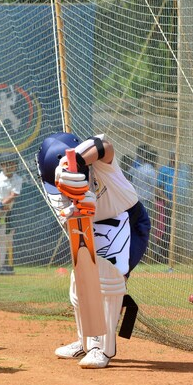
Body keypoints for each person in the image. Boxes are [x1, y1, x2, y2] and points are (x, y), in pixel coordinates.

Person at [36, 132, 150, 369]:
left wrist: (75, 162)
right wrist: (74, 203)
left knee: (108, 277)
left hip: (126, 219)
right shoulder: (52, 185)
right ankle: (86, 341)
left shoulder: (100, 162)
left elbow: (104, 145)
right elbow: (70, 214)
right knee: (79, 281)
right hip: (90, 225)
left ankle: (102, 348)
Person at [155, 151, 189, 263]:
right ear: (170, 158)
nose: (175, 159)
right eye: (173, 156)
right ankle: (164, 256)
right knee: (169, 229)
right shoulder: (164, 170)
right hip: (170, 204)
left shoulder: (184, 170)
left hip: (183, 204)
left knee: (182, 230)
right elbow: (159, 188)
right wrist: (167, 199)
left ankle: (180, 256)